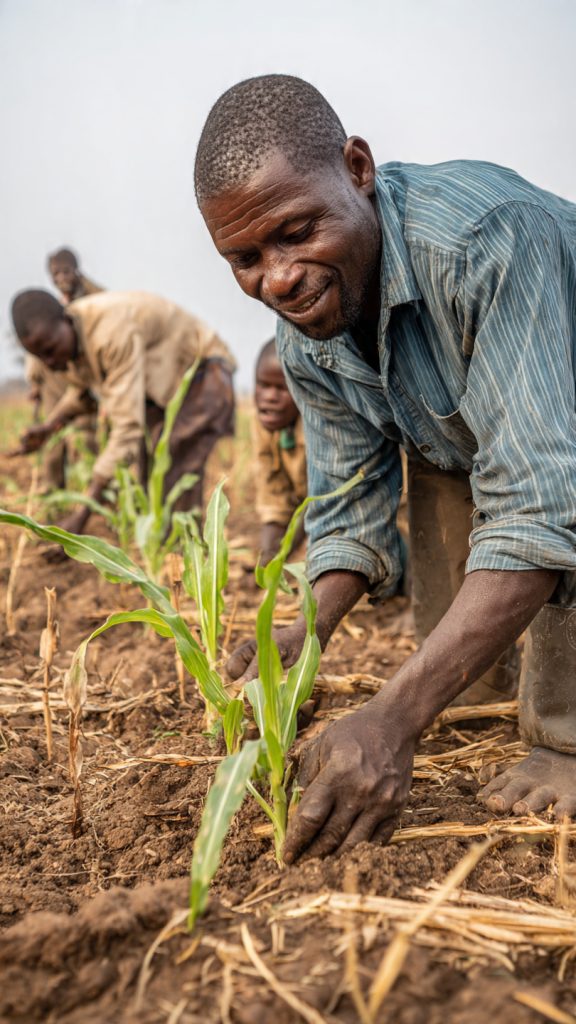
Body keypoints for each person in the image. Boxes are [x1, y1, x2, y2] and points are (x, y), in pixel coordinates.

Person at [194, 74, 576, 863]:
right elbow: (348, 502)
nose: (279, 278)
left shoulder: (483, 242)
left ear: (358, 170)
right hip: (474, 435)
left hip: (561, 423)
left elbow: (543, 496)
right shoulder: (307, 332)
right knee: (461, 680)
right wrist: (308, 627)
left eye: (297, 231)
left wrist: (393, 719)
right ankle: (481, 687)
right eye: (245, 258)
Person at [11, 289, 235, 533]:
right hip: (163, 390)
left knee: (173, 461)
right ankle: (162, 550)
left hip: (204, 373)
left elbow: (127, 427)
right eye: (40, 357)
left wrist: (82, 514)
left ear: (65, 320)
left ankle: (184, 557)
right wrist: (48, 427)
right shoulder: (73, 340)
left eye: (51, 350)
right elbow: (83, 393)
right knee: (149, 470)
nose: (50, 363)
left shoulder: (110, 332)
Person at [25, 247, 103, 489]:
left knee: (86, 436)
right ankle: (51, 490)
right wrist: (35, 382)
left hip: (82, 379)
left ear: (76, 270)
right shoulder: (55, 305)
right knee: (51, 436)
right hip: (53, 381)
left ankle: (101, 494)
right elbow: (37, 350)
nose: (60, 278)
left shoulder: (97, 299)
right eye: (55, 274)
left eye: (65, 271)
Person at [254, 337, 307, 564]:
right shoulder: (263, 423)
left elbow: (322, 501)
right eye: (263, 385)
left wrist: (280, 557)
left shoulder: (319, 426)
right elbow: (273, 497)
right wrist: (267, 560)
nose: (270, 397)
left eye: (281, 388)